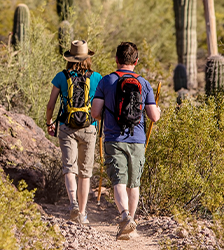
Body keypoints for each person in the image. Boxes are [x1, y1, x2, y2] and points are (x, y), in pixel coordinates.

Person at [91, 42, 161, 240]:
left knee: (118, 181)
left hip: (114, 138)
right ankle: (131, 224)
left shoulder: (106, 81)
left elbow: (95, 113)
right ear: (136, 61)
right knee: (134, 183)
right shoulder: (144, 83)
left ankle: (124, 217)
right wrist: (159, 111)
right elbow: (154, 116)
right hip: (137, 139)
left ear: (116, 59)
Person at [45, 40, 103, 224]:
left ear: (69, 58)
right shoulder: (97, 78)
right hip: (89, 127)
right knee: (84, 173)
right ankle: (83, 214)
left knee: (69, 167)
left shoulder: (61, 77)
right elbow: (101, 104)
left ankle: (73, 204)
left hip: (66, 126)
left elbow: (50, 105)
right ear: (88, 58)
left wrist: (49, 122)